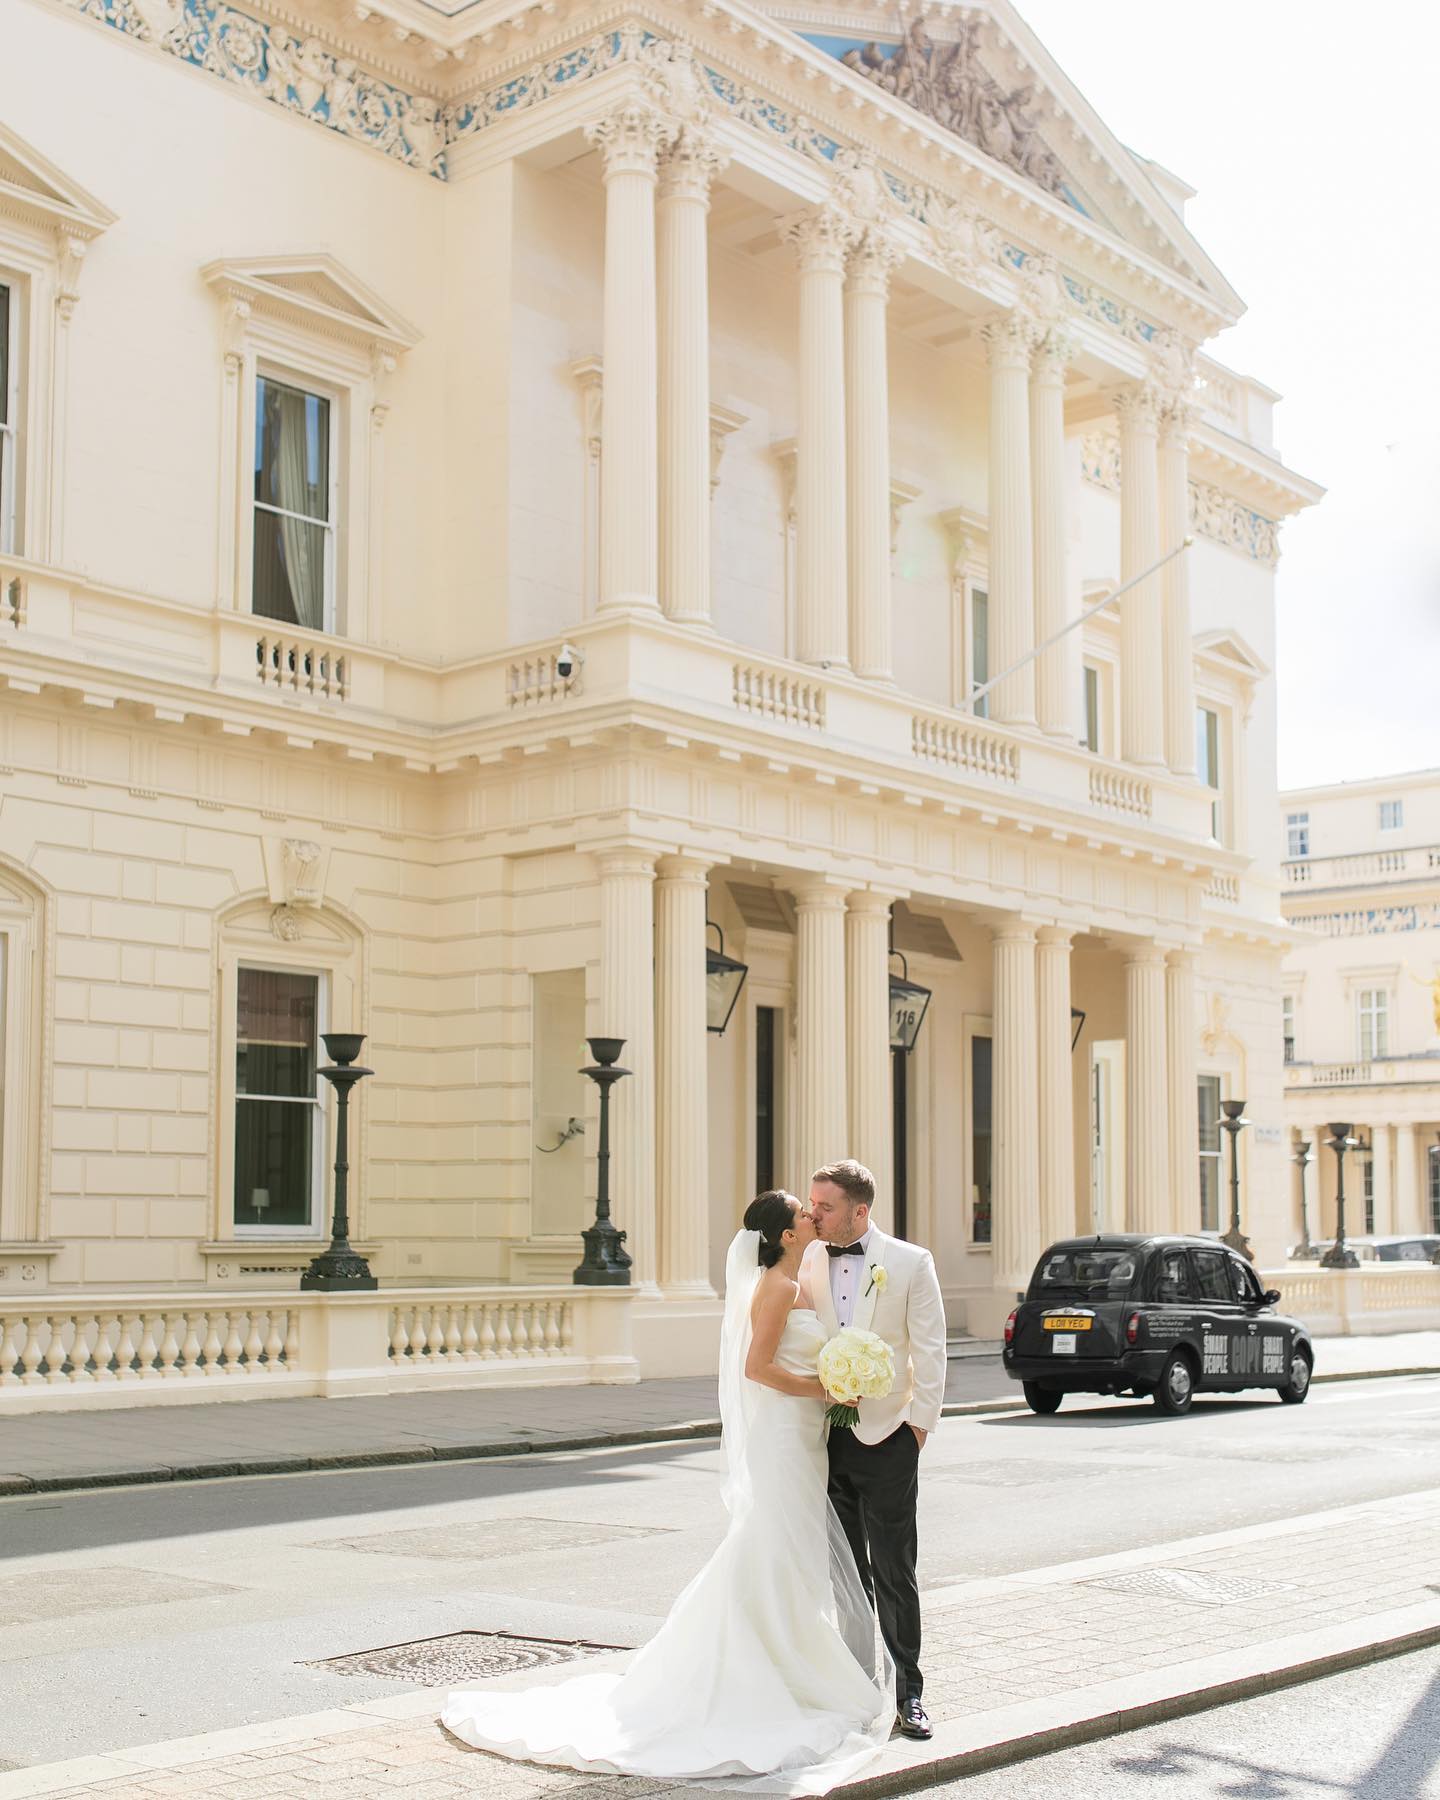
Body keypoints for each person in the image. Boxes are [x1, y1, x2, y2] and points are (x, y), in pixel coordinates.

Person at [441, 1190, 896, 1795]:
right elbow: (756, 1369)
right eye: (804, 1215)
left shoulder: (797, 1280)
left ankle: (785, 1663)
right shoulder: (778, 1288)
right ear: (787, 1235)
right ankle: (766, 1669)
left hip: (803, 1440)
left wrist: (836, 1377)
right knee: (774, 1546)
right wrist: (828, 1391)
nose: (814, 1217)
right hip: (784, 1438)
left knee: (790, 1552)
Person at [804, 1160, 947, 1742]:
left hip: (887, 1436)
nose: (814, 1214)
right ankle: (858, 1685)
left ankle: (909, 1694)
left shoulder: (911, 1263)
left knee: (894, 1570)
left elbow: (931, 1351)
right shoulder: (807, 1256)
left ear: (860, 1211)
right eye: (812, 1204)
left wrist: (916, 1429)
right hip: (820, 1440)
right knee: (843, 1573)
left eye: (826, 1206)